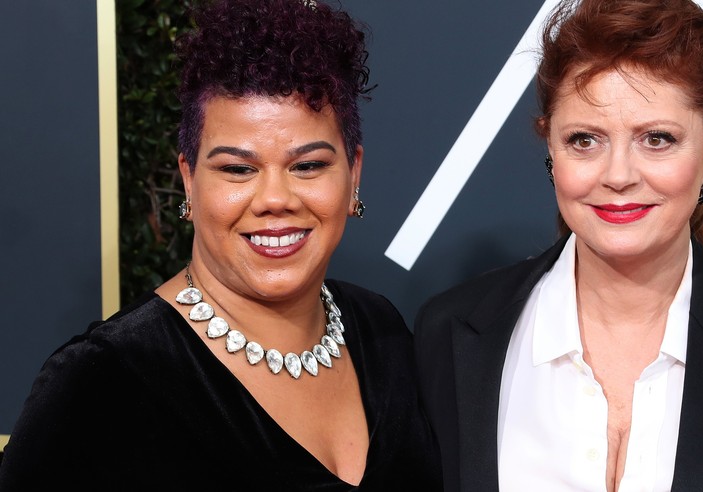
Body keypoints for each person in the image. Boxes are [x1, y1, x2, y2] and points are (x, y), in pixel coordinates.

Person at [414, 0, 703, 490]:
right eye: (585, 140)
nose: (618, 176)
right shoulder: (452, 333)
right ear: (550, 145)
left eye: (656, 139)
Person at [0, 0, 441, 489]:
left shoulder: (381, 331)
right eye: (237, 169)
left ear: (353, 173)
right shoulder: (103, 380)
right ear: (189, 180)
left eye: (308, 165)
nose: (275, 199)